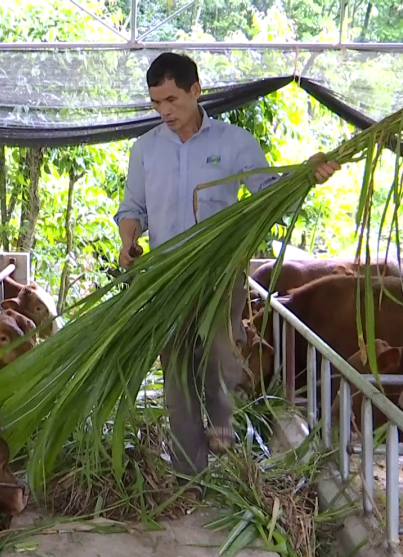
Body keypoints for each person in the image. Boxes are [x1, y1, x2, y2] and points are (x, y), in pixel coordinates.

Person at [113, 52, 340, 481]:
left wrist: (308, 176)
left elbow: (269, 194)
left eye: (172, 100)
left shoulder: (235, 144)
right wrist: (128, 242)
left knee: (221, 354)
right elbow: (133, 208)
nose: (164, 111)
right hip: (165, 279)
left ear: (196, 90)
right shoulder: (144, 149)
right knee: (177, 377)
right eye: (156, 102)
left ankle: (221, 425)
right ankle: (188, 476)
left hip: (219, 276)